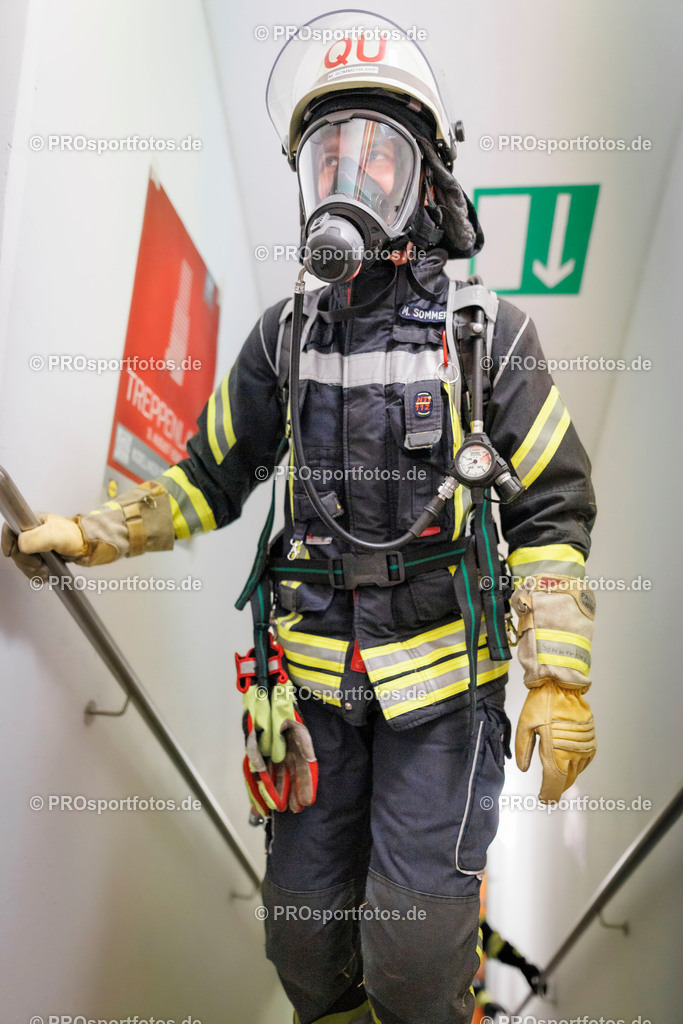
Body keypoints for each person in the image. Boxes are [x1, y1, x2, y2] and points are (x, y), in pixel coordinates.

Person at [2, 13, 598, 1024]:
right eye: (329, 153)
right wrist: (96, 533)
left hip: (447, 697)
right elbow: (208, 477)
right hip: (313, 687)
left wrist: (558, 674)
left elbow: (549, 506)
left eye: (378, 154)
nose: (348, 177)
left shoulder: (486, 337)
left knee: (412, 951)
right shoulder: (281, 338)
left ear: (427, 184)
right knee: (301, 937)